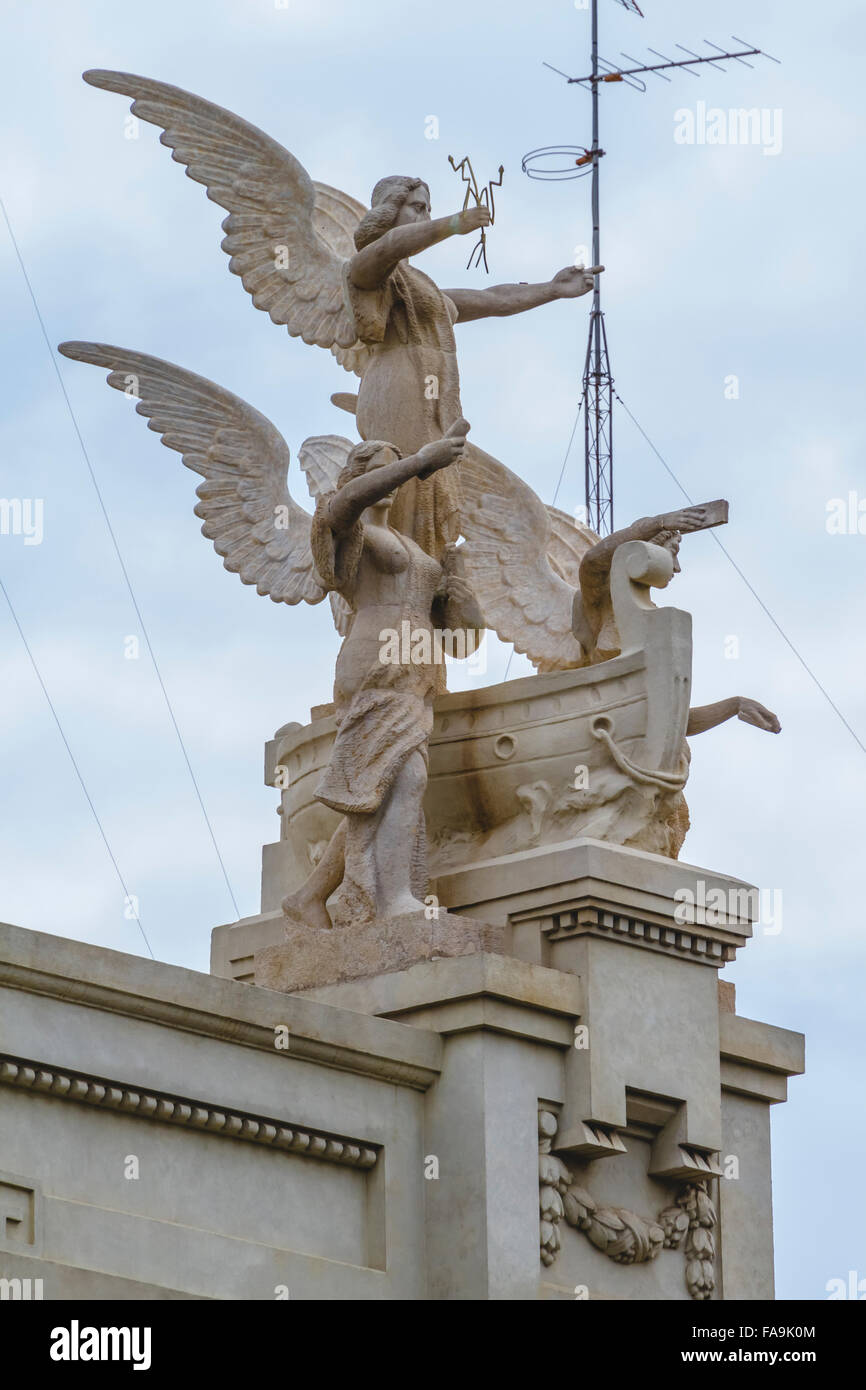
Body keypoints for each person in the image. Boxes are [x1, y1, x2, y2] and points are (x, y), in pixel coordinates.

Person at [282, 418, 484, 930]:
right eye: (384, 465)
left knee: (381, 781)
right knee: (406, 777)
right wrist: (419, 463)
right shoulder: (348, 526)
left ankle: (310, 895)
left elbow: (463, 632)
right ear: (361, 473)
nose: (395, 473)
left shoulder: (409, 545)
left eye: (398, 462)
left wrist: (460, 588)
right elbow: (346, 503)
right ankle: (393, 897)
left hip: (417, 667)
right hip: (375, 661)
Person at [345, 175, 601, 556]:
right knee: (407, 492)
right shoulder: (367, 269)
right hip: (397, 390)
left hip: (432, 404)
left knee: (432, 492)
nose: (426, 215)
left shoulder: (421, 286)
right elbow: (390, 246)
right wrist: (452, 224)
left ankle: (425, 582)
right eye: (417, 207)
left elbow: (492, 299)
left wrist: (551, 289)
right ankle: (397, 580)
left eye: (429, 208)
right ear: (388, 210)